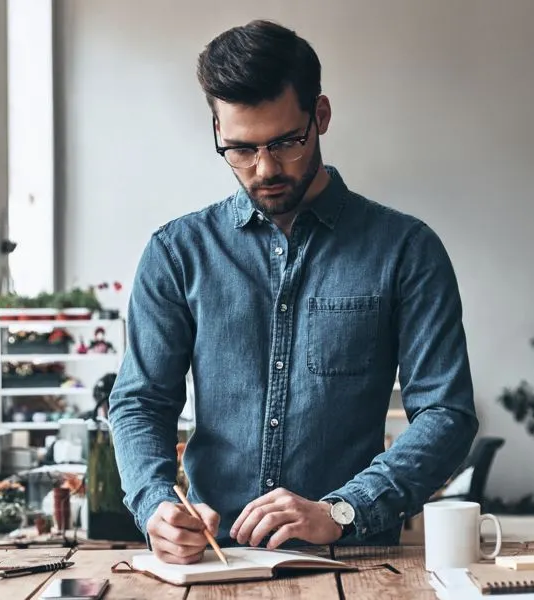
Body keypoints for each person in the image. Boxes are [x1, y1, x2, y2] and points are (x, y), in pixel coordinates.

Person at [108, 19, 478, 565]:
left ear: (320, 116)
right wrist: (155, 504)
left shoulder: (407, 250)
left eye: (285, 142)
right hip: (215, 560)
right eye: (239, 149)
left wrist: (342, 511)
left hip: (357, 558)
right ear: (216, 130)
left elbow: (446, 413)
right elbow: (141, 401)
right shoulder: (176, 252)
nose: (264, 169)